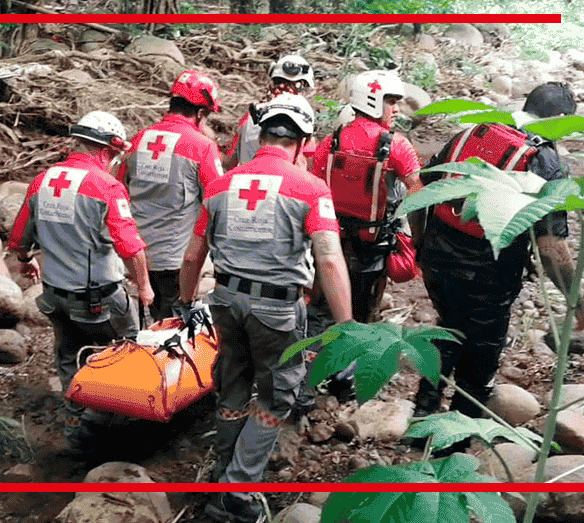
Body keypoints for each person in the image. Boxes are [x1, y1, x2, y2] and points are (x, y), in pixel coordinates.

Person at [178, 93, 353, 523]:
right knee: (277, 399)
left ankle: (222, 471)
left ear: (261, 136)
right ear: (303, 140)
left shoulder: (221, 184)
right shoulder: (311, 188)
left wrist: (184, 301)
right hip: (276, 309)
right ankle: (237, 492)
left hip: (224, 300)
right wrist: (347, 326)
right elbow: (329, 259)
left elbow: (192, 254)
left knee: (233, 384)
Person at [410, 82, 584, 428]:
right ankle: (458, 441)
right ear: (559, 120)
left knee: (448, 327)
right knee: (480, 360)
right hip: (488, 275)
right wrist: (577, 299)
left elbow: (423, 185)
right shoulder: (544, 159)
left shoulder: (473, 133)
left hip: (437, 258)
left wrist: (420, 245)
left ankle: (423, 412)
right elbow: (550, 247)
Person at [8, 110, 154, 453]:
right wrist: (145, 286)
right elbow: (131, 248)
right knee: (126, 351)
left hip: (55, 294)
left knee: (68, 357)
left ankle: (74, 428)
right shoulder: (106, 186)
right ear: (108, 149)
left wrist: (27, 261)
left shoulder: (42, 180)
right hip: (98, 297)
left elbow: (18, 240)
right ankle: (118, 426)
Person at [310, 69, 423, 325]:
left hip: (329, 245)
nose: (396, 110)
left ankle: (316, 358)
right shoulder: (397, 145)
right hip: (372, 254)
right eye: (391, 102)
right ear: (373, 100)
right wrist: (416, 242)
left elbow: (313, 190)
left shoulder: (330, 142)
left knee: (322, 314)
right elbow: (419, 196)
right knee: (363, 318)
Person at [116, 70, 224, 322]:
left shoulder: (139, 139)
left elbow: (119, 189)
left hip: (135, 258)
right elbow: (219, 200)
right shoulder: (202, 147)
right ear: (200, 113)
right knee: (175, 333)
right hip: (176, 261)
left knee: (146, 329)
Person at [223, 54, 316, 170]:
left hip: (245, 181)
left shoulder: (249, 117)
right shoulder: (300, 122)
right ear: (301, 86)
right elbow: (307, 166)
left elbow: (230, 162)